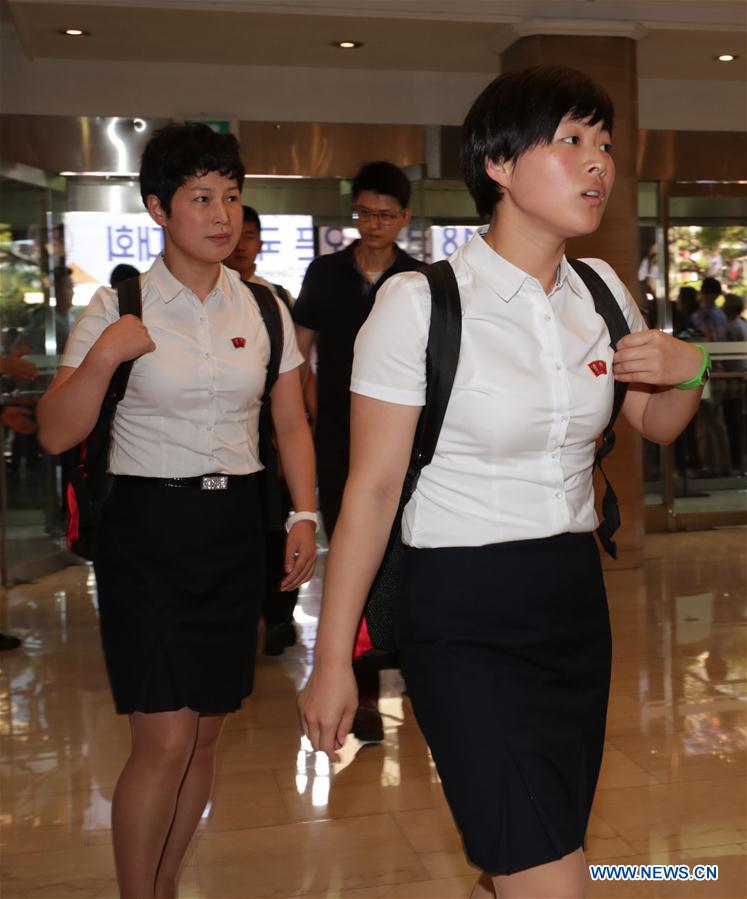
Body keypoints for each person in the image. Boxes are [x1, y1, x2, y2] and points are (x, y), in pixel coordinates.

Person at [299, 66, 707, 899]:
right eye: (569, 142)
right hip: (459, 612)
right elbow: (371, 490)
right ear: (498, 163)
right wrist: (332, 656)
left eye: (603, 145)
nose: (597, 163)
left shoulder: (600, 292)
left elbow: (655, 423)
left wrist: (689, 368)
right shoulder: (421, 302)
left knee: (534, 853)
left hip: (570, 600)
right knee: (551, 879)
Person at [37, 123, 318, 899]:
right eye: (201, 197)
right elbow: (59, 429)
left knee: (204, 735)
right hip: (147, 532)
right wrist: (103, 356)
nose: (222, 213)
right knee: (162, 735)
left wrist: (304, 515)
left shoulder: (262, 306)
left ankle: (162, 886)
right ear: (158, 207)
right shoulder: (119, 303)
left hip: (232, 533)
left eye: (230, 195)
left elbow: (289, 421)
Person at [293, 160, 423, 742]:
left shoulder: (420, 281)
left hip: (407, 444)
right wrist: (305, 415)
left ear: (405, 218)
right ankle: (362, 690)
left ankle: (421, 671)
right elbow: (299, 357)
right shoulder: (325, 274)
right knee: (353, 558)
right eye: (365, 213)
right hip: (339, 440)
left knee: (411, 555)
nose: (374, 224)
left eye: (386, 215)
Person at [224, 204, 302, 655]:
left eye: (250, 235)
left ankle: (278, 615)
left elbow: (293, 374)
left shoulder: (275, 300)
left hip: (272, 434)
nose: (241, 244)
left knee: (277, 522)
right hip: (231, 435)